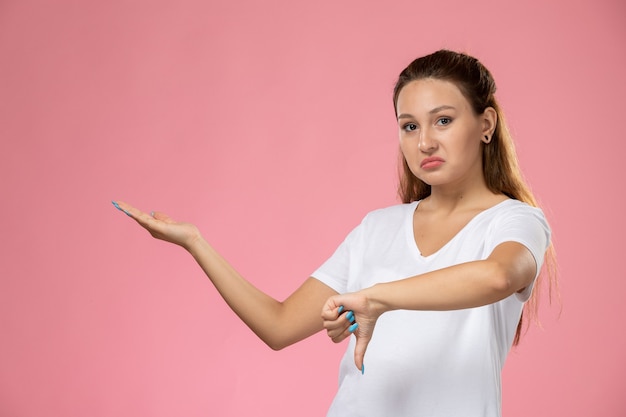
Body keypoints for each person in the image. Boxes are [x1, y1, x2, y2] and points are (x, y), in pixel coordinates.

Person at [113, 49, 555, 417]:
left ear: (486, 124)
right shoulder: (377, 228)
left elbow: (498, 276)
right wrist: (196, 242)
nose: (424, 143)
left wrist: (376, 298)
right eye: (409, 126)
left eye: (443, 121)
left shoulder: (514, 221)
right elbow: (279, 325)